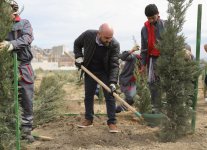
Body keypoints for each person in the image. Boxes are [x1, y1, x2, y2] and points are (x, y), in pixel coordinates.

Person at [73, 23, 120, 133]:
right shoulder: (88, 35)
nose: (109, 40)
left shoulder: (114, 44)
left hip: (105, 71)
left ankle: (112, 122)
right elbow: (77, 43)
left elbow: (114, 65)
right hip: (89, 69)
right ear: (99, 34)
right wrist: (79, 57)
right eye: (106, 38)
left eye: (111, 37)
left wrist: (113, 82)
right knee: (89, 95)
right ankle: (89, 119)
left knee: (110, 95)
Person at [0, 1, 35, 142]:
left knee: (26, 97)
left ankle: (26, 130)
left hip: (22, 66)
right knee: (6, 98)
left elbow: (27, 38)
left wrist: (11, 45)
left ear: (13, 9)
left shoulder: (24, 23)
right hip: (4, 68)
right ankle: (8, 128)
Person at [140, 4, 165, 113]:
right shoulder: (144, 29)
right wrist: (142, 64)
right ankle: (155, 108)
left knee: (164, 83)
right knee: (153, 84)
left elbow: (173, 42)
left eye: (152, 18)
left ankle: (166, 108)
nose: (150, 20)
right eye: (148, 18)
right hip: (152, 59)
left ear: (158, 14)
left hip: (165, 58)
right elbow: (144, 49)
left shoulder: (165, 25)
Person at [116, 45, 141, 113]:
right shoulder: (133, 57)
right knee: (130, 98)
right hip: (126, 81)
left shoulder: (146, 62)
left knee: (131, 100)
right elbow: (122, 57)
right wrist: (132, 50)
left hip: (134, 83)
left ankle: (117, 109)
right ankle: (116, 109)